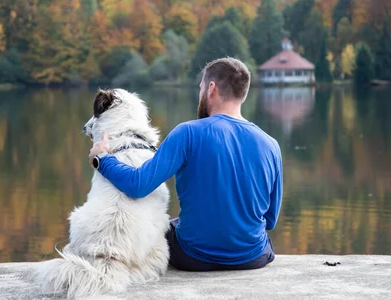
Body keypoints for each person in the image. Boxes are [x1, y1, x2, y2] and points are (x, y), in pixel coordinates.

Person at [88, 57, 283, 272]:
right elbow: (270, 220)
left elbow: (138, 185)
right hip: (252, 257)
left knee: (164, 225)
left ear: (211, 89)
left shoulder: (187, 133)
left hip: (194, 258)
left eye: (200, 88)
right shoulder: (271, 145)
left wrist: (103, 159)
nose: (199, 94)